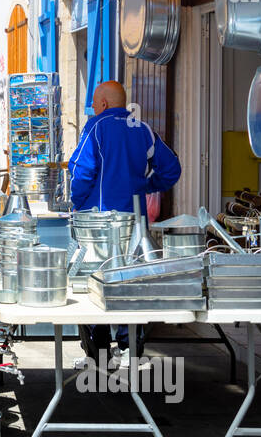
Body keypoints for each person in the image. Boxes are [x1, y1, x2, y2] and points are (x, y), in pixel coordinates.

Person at [68, 80, 181, 367]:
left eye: (94, 102)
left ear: (104, 103)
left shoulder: (96, 128)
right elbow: (172, 169)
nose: (92, 107)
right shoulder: (143, 130)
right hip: (135, 225)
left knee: (97, 283)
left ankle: (102, 356)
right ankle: (131, 351)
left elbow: (81, 171)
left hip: (100, 224)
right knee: (131, 285)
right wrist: (146, 185)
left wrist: (78, 204)